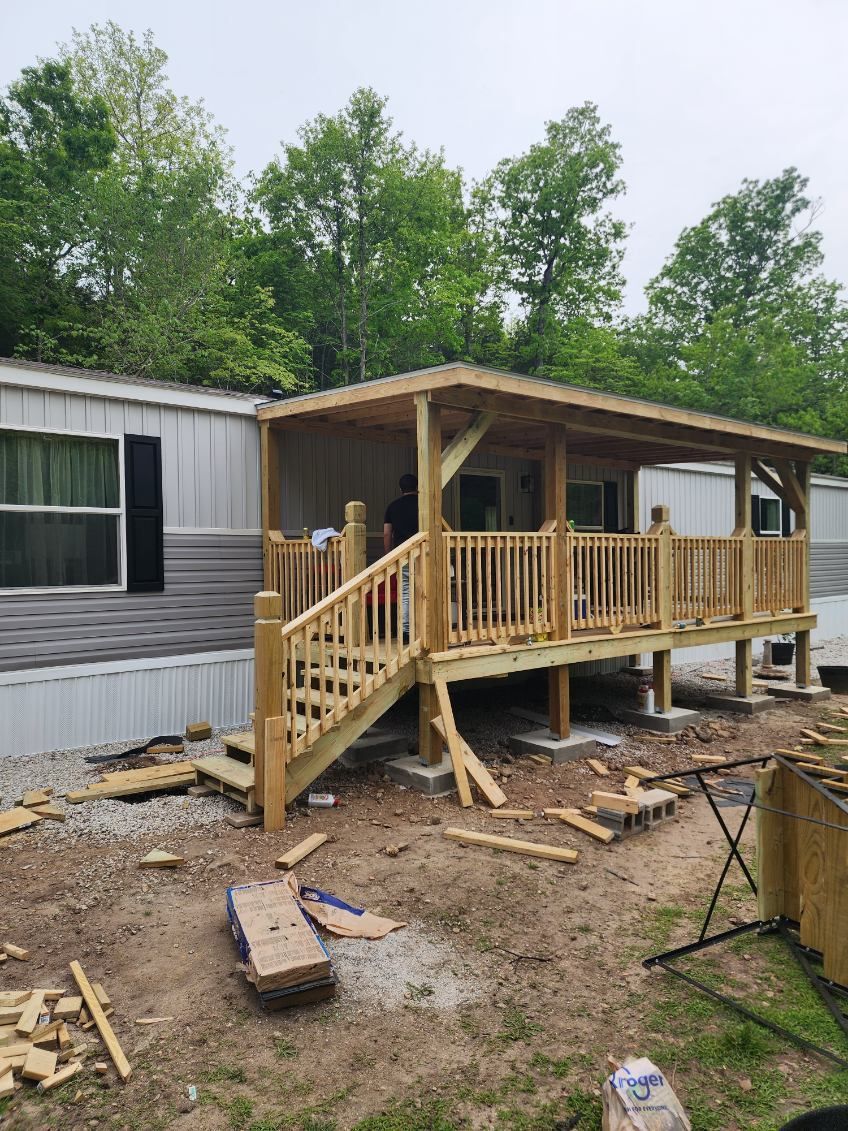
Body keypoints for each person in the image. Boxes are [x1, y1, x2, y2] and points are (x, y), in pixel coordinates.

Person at [383, 474, 418, 642]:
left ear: (400, 489)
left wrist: (388, 555)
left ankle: (405, 631)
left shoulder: (392, 507)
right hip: (423, 551)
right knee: (426, 589)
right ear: (417, 487)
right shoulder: (423, 505)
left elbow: (387, 534)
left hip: (402, 554)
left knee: (405, 591)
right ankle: (425, 627)